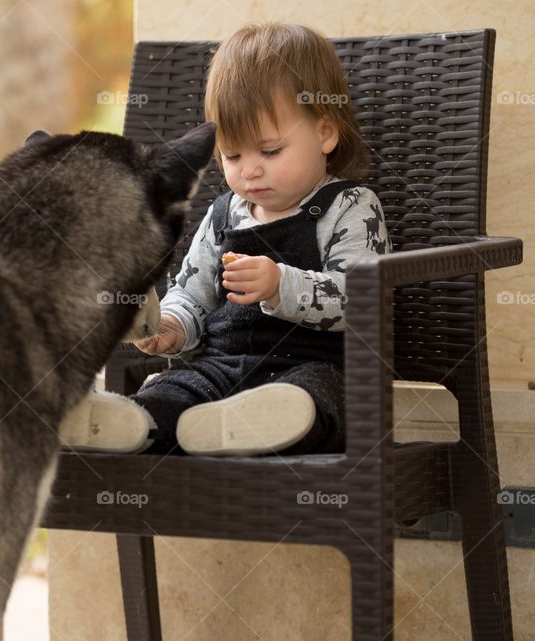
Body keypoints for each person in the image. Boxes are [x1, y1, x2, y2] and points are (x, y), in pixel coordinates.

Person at [61, 21, 391, 456]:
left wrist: (280, 284)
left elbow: (361, 303)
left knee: (318, 397)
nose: (249, 170)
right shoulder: (223, 215)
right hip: (220, 369)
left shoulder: (349, 206)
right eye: (233, 155)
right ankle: (125, 423)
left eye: (270, 151)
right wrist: (172, 328)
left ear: (325, 133)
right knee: (172, 391)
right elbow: (192, 296)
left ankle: (264, 419)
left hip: (316, 366)